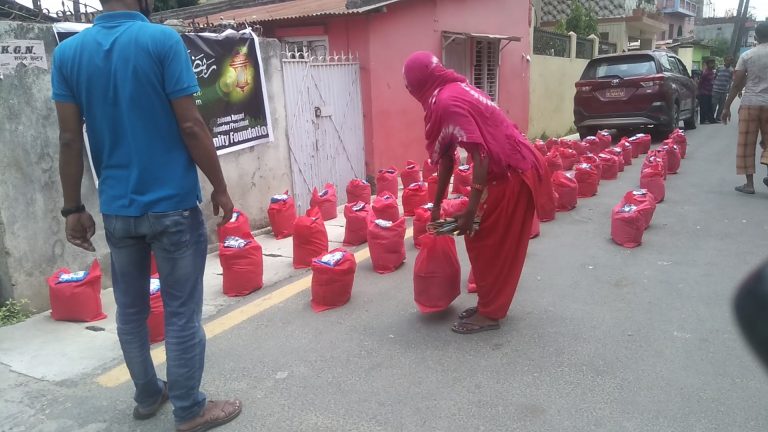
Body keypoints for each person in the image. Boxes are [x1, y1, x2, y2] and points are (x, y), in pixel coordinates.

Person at [52, 0, 243, 430]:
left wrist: (72, 208)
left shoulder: (69, 54)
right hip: (172, 204)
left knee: (131, 311)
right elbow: (191, 124)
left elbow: (68, 138)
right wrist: (221, 186)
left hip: (118, 209)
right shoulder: (162, 41)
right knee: (180, 311)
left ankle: (146, 395)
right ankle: (190, 410)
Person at [403, 52, 554, 335]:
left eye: (410, 87)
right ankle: (488, 303)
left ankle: (491, 313)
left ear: (419, 83)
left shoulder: (447, 101)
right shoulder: (446, 94)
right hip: (504, 168)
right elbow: (448, 157)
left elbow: (481, 155)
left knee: (489, 241)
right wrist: (437, 206)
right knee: (479, 236)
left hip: (513, 170)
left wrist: (471, 208)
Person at [722, 22, 768, 195]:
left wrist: (726, 107)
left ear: (755, 37)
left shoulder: (747, 55)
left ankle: (749, 184)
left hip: (750, 103)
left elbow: (737, 84)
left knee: (746, 144)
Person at [712, 56, 735, 122]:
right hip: (716, 89)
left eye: (730, 61)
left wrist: (729, 90)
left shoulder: (731, 70)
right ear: (725, 61)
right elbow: (714, 77)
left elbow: (731, 80)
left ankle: (718, 117)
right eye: (727, 60)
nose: (729, 62)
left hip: (724, 90)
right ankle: (711, 117)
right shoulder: (719, 68)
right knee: (713, 104)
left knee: (721, 106)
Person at [698, 58, 717, 124]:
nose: (712, 65)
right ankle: (703, 120)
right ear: (707, 64)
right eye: (711, 63)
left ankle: (711, 119)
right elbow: (700, 82)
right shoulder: (705, 73)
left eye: (713, 63)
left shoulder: (712, 72)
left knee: (709, 106)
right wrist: (699, 91)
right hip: (704, 92)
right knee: (704, 107)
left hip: (709, 92)